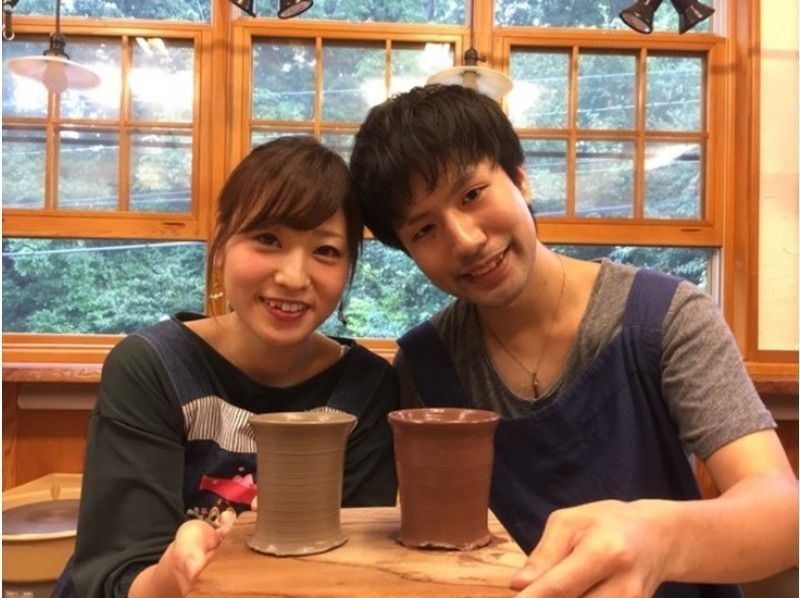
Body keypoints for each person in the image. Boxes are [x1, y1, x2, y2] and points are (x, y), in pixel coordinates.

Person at [349, 84, 798, 597]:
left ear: (520, 178)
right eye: (425, 230)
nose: (466, 240)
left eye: (473, 194)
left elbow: (783, 514)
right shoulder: (425, 364)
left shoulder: (665, 316)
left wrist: (659, 541)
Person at [54, 136, 399, 597]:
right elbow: (113, 575)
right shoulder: (152, 368)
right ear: (220, 245)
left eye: (326, 251)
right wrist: (172, 577)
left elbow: (352, 564)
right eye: (267, 239)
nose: (294, 277)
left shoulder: (367, 388)